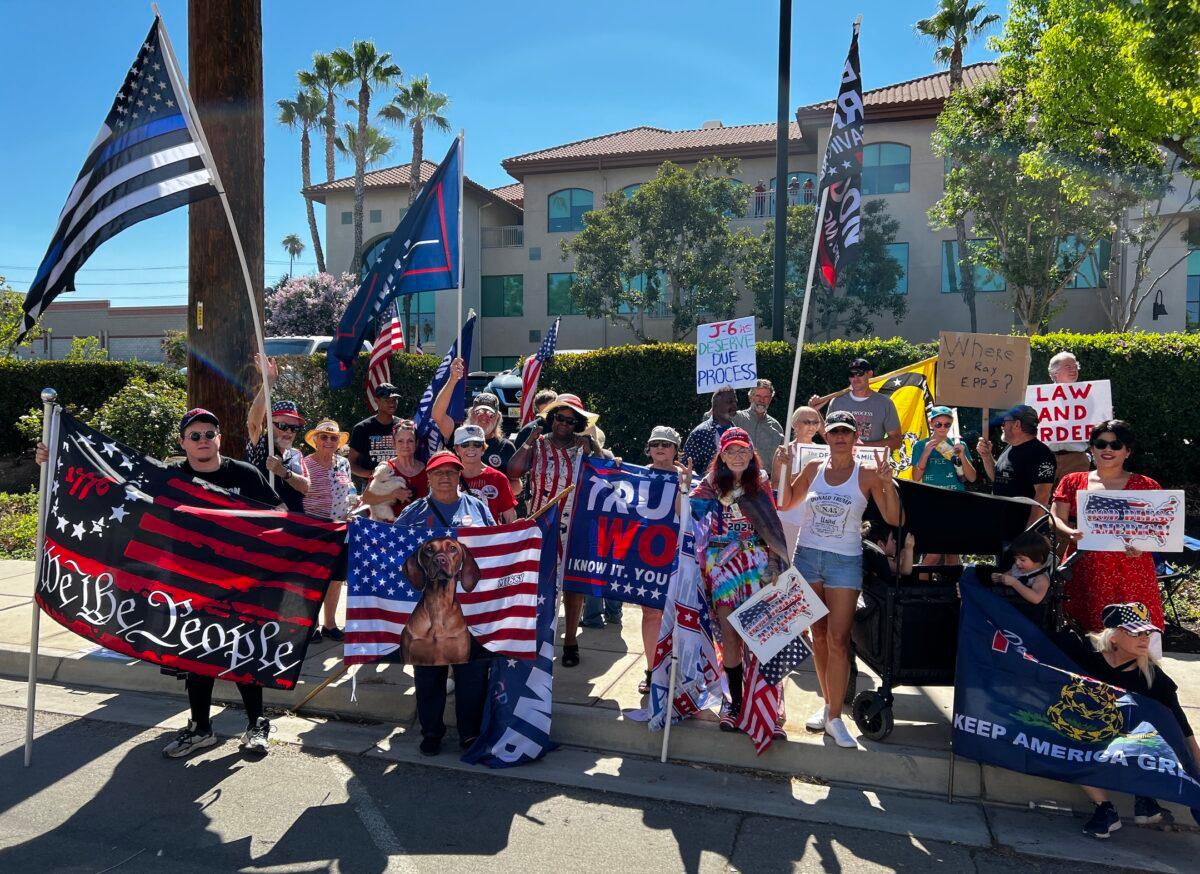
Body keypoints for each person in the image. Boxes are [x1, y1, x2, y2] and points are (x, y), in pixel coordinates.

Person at [779, 410, 901, 749]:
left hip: (844, 562)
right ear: (826, 435)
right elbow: (786, 501)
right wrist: (783, 466)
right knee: (817, 635)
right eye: (834, 432)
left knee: (839, 638)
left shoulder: (868, 474)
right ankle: (829, 707)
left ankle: (835, 715)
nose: (840, 437)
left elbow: (893, 517)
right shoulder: (814, 468)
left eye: (846, 432)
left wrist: (888, 485)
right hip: (807, 557)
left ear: (855, 435)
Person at [165, 409, 281, 758]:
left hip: (241, 583)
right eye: (195, 436)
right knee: (198, 656)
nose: (203, 441)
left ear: (220, 438)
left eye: (209, 434)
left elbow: (277, 515)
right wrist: (50, 459)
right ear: (183, 442)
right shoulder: (170, 476)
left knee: (243, 653)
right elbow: (115, 483)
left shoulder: (244, 474)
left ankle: (257, 724)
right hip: (191, 583)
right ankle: (200, 728)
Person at [1053, 603, 1197, 838]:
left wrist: (1196, 771)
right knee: (1070, 743)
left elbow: (1182, 727)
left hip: (1129, 740)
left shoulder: (1152, 676)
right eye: (1136, 632)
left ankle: (1144, 799)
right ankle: (1106, 810)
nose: (1144, 639)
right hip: (1089, 731)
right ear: (1115, 635)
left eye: (1147, 633)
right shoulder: (1084, 651)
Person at [395, 451, 496, 756]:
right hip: (426, 610)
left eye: (451, 472)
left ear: (460, 475)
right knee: (428, 673)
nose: (445, 478)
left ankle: (469, 733)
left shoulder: (478, 507)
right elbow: (392, 547)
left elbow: (495, 544)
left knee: (473, 674)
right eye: (438, 472)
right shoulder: (414, 511)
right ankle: (431, 732)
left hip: (472, 608)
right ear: (428, 477)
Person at [690, 428, 789, 732]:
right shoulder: (708, 487)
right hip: (723, 570)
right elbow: (688, 515)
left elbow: (772, 529)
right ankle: (734, 702)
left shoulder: (759, 485)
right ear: (721, 454)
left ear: (751, 454)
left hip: (758, 566)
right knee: (731, 636)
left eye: (742, 451)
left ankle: (768, 707)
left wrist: (774, 563)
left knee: (763, 638)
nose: (737, 456)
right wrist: (684, 487)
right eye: (730, 451)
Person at [509, 393, 612, 668]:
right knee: (537, 582)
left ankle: (569, 640)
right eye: (559, 418)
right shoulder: (538, 444)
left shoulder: (584, 448)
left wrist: (593, 447)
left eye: (571, 420)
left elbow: (606, 475)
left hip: (576, 523)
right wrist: (529, 440)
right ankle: (536, 636)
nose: (564, 424)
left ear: (578, 424)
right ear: (551, 419)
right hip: (541, 521)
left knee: (572, 583)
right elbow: (513, 471)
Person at [1051, 420, 1167, 645]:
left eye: (1115, 445)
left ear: (1128, 451)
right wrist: (1071, 532)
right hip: (1086, 567)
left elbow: (1161, 529)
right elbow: (1056, 518)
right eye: (1101, 444)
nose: (1107, 450)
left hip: (1132, 571)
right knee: (1086, 637)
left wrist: (1145, 545)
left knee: (1136, 634)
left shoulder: (1147, 486)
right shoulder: (1072, 481)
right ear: (1092, 448)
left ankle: (1136, 678)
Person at [637, 425, 689, 695]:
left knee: (680, 615)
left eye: (666, 444)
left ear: (675, 450)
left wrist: (685, 486)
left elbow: (691, 517)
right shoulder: (636, 474)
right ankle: (651, 669)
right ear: (648, 447)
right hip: (647, 553)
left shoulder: (687, 478)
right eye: (655, 443)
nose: (660, 448)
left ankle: (678, 669)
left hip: (678, 554)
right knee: (651, 613)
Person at [301, 420, 355, 643]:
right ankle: (310, 625)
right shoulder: (304, 464)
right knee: (313, 580)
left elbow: (349, 490)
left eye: (333, 438)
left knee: (336, 579)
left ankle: (330, 624)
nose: (329, 441)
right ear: (315, 440)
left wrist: (353, 507)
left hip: (341, 528)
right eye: (324, 437)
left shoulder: (343, 463)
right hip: (315, 529)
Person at [433, 358, 518, 483]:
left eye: (490, 413)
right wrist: (452, 380)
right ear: (471, 413)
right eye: (479, 412)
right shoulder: (457, 434)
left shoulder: (505, 447)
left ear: (498, 418)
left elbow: (516, 484)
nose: (484, 417)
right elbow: (437, 415)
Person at [243, 354, 309, 513]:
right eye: (282, 425)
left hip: (295, 524)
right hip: (265, 525)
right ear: (268, 423)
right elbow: (253, 422)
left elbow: (306, 487)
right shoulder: (260, 445)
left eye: (294, 428)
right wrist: (269, 381)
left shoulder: (296, 454)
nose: (288, 432)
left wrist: (283, 472)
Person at [912, 406, 976, 568]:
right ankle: (917, 586)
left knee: (952, 552)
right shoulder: (920, 446)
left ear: (952, 425)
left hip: (956, 504)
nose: (942, 428)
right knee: (934, 552)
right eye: (938, 424)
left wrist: (961, 455)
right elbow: (916, 477)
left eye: (947, 425)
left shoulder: (959, 445)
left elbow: (971, 477)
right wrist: (926, 453)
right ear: (931, 423)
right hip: (931, 504)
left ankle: (951, 590)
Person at [976, 404, 1056, 529]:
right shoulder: (1011, 447)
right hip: (1000, 526)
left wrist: (1029, 532)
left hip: (1020, 531)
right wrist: (986, 456)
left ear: (1017, 424)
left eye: (1004, 422)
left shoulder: (1040, 453)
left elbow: (1042, 497)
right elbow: (998, 478)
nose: (1002, 426)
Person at [812, 358, 903, 451]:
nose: (855, 378)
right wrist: (814, 411)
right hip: (841, 463)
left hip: (872, 463)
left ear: (870, 374)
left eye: (859, 373)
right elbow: (828, 436)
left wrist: (863, 447)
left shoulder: (885, 403)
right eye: (851, 374)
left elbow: (897, 441)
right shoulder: (837, 402)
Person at [771, 406, 824, 558]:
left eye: (816, 422)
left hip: (812, 522)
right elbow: (774, 485)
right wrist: (801, 477)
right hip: (788, 519)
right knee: (786, 565)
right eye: (807, 422)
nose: (812, 426)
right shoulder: (785, 451)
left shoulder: (822, 452)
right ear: (795, 424)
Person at [360, 419, 423, 521]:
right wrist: (392, 495)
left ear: (416, 443)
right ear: (393, 443)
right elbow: (366, 499)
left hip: (419, 530)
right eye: (400, 441)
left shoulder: (427, 470)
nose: (405, 445)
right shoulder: (385, 468)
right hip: (389, 531)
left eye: (410, 441)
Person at [454, 424, 517, 523]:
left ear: (483, 448)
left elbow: (510, 517)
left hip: (490, 537)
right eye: (465, 444)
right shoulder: (449, 477)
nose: (471, 448)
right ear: (457, 449)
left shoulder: (498, 478)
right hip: (457, 537)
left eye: (477, 444)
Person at [1047, 351, 1091, 483]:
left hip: (1076, 459)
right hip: (1046, 458)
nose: (1074, 370)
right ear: (1055, 373)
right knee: (1042, 500)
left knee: (1074, 500)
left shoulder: (1089, 396)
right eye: (1068, 367)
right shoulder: (1040, 397)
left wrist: (1104, 416)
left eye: (1075, 366)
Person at [348, 383, 400, 480]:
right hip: (372, 486)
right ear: (376, 401)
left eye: (394, 399)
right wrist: (373, 474)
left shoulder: (402, 426)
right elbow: (351, 464)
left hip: (400, 483)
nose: (392, 403)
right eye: (387, 400)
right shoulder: (362, 428)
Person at [682, 386, 738, 476]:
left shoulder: (738, 433)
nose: (734, 405)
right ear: (715, 405)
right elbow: (688, 469)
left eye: (735, 402)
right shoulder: (700, 433)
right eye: (729, 401)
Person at [990, 531, 1051, 606]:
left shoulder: (1041, 578)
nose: (1017, 562)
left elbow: (1036, 598)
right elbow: (1007, 575)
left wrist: (1015, 583)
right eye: (1015, 559)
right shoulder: (1018, 567)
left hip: (1024, 611)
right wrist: (999, 577)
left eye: (1022, 560)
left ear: (1038, 559)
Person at [733, 379, 785, 464]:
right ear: (750, 397)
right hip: (740, 474)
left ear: (770, 399)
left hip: (768, 476)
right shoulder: (736, 419)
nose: (762, 400)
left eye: (766, 397)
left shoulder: (776, 427)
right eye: (758, 396)